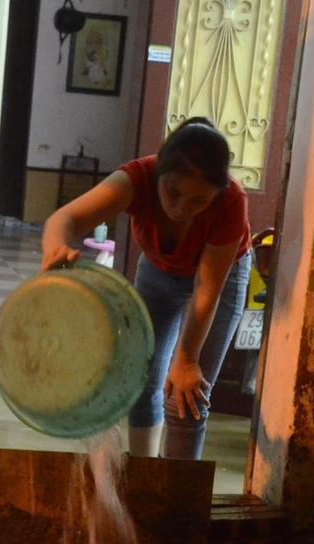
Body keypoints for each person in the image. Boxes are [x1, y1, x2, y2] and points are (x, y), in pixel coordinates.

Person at [41, 117, 251, 459]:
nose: (182, 208)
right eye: (173, 192)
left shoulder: (232, 202)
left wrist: (186, 360)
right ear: (159, 172)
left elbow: (206, 289)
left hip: (220, 281)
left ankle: (176, 498)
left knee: (186, 396)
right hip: (159, 271)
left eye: (199, 201)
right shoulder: (136, 178)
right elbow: (64, 220)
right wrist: (56, 249)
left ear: (218, 192)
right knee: (141, 382)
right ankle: (144, 477)